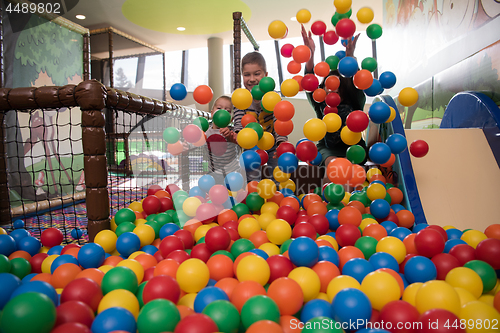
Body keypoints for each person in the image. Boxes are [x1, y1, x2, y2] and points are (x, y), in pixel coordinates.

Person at [301, 25, 368, 186]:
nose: (331, 89)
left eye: (337, 85)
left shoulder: (355, 101)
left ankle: (351, 204)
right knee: (333, 166)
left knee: (351, 170)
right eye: (327, 85)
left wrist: (350, 56)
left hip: (355, 147)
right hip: (329, 148)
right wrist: (310, 54)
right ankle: (329, 204)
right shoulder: (320, 104)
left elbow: (356, 83)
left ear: (344, 90)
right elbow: (309, 80)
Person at [231, 51, 288, 183]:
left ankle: (279, 197)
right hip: (251, 144)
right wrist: (238, 134)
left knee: (278, 175)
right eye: (247, 75)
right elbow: (239, 121)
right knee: (252, 178)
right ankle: (253, 197)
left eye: (257, 74)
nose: (252, 79)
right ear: (242, 76)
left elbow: (279, 121)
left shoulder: (272, 97)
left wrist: (281, 143)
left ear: (265, 75)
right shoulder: (240, 97)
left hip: (273, 144)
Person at [205, 95, 242, 184]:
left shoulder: (232, 131)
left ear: (231, 119)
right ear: (212, 113)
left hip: (233, 171)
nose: (223, 112)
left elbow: (237, 142)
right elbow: (197, 142)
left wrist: (229, 136)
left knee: (234, 194)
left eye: (228, 110)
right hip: (214, 172)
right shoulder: (206, 132)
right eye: (219, 108)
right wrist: (187, 145)